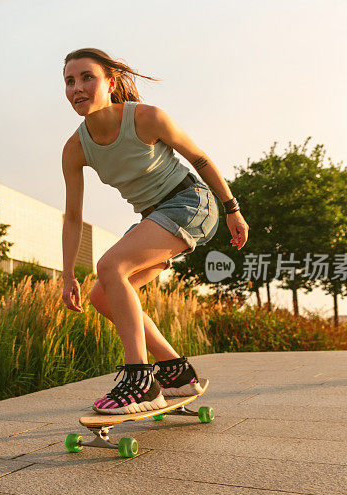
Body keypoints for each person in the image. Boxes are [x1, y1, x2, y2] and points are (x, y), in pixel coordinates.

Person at [61, 48, 249, 415]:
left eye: (87, 77)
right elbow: (72, 216)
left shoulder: (146, 118)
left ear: (110, 82)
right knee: (103, 294)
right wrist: (67, 273)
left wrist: (233, 210)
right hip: (156, 217)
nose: (77, 88)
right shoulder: (75, 148)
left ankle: (140, 381)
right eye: (69, 81)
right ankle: (177, 372)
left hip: (192, 202)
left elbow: (200, 159)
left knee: (110, 266)